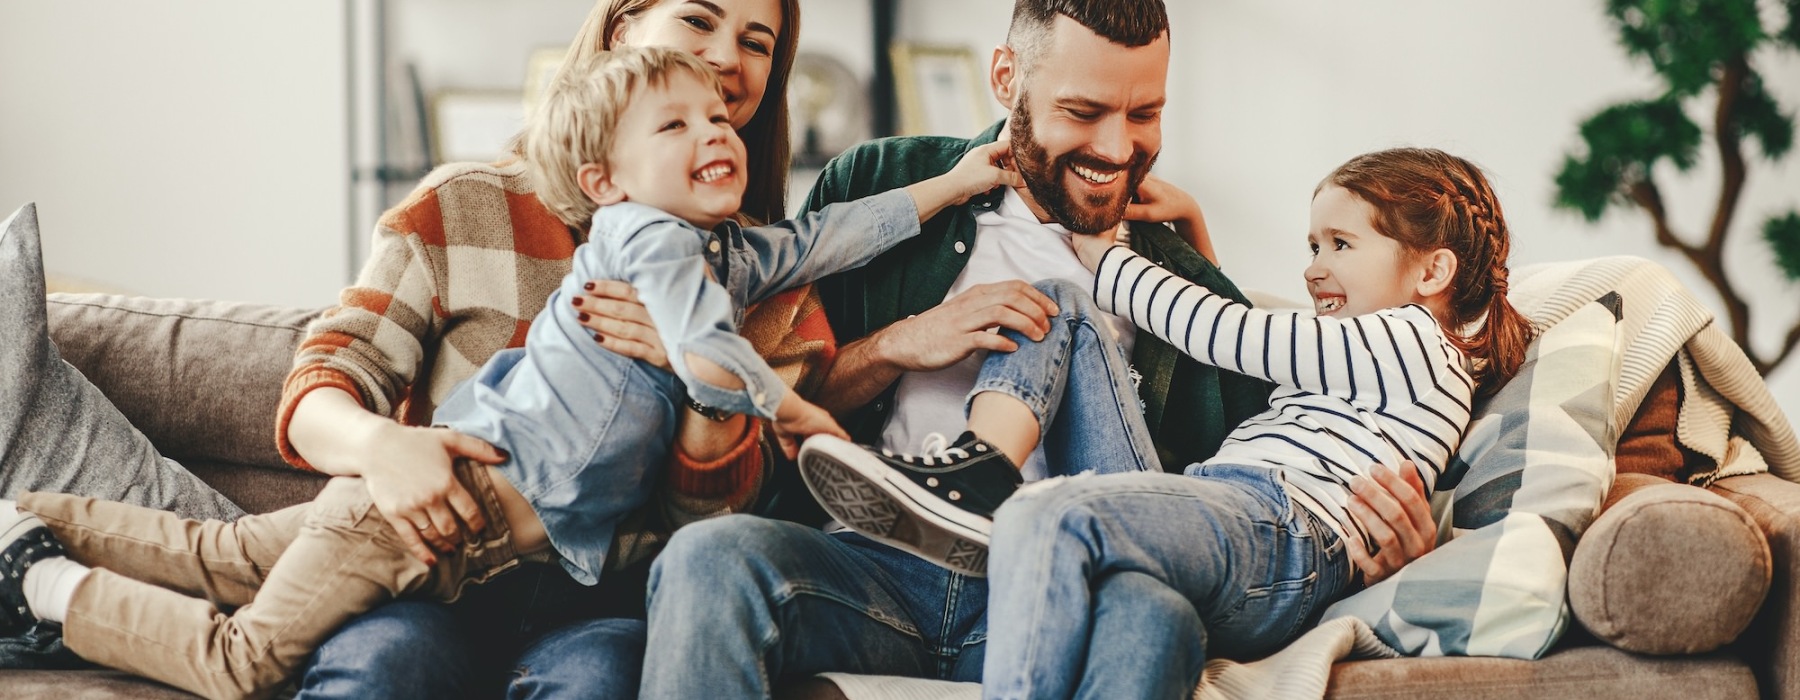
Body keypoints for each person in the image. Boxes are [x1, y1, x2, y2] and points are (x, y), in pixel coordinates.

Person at [0, 45, 1020, 700]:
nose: (717, 124)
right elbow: (711, 349)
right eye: (678, 118)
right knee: (241, 660)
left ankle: (22, 517)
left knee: (215, 551)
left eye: (725, 110)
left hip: (503, 558)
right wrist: (794, 407)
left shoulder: (732, 256)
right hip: (422, 510)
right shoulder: (646, 238)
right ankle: (44, 582)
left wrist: (955, 182)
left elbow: (830, 234)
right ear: (604, 180)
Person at [629, 1, 1446, 696]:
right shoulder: (883, 183)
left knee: (1155, 617)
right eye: (1084, 113)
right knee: (711, 559)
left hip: (1064, 588)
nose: (1118, 149)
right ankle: (953, 488)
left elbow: (1261, 483)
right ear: (1006, 79)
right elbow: (773, 404)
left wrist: (1382, 545)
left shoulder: (1177, 276)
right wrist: (900, 345)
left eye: (1145, 114)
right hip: (873, 571)